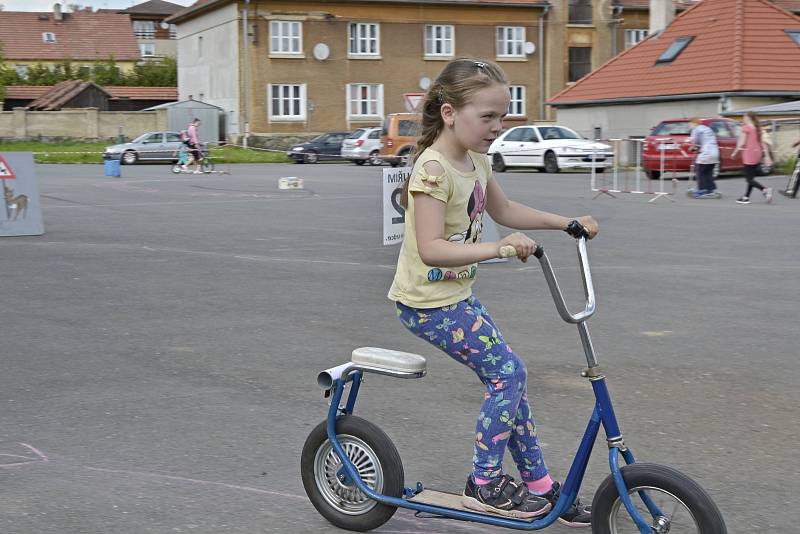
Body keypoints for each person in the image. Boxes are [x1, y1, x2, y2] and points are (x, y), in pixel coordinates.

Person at [387, 58, 598, 526]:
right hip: (426, 302)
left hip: (455, 299)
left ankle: (541, 488)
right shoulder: (435, 170)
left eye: (502, 117)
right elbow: (431, 248)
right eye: (487, 117)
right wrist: (498, 250)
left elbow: (504, 209)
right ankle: (484, 483)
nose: (497, 128)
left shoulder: (476, 160)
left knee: (511, 381)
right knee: (509, 375)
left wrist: (565, 223)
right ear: (449, 113)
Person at [731, 112, 772, 204]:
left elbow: (741, 143)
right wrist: (767, 156)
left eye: (744, 117)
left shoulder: (746, 128)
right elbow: (763, 143)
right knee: (751, 178)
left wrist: (734, 153)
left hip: (749, 154)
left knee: (748, 179)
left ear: (748, 118)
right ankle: (746, 197)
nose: (743, 119)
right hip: (757, 154)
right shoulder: (758, 129)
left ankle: (765, 190)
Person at [688, 118, 720, 198]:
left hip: (706, 153)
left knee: (700, 172)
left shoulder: (696, 130)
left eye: (690, 124)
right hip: (715, 152)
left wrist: (691, 148)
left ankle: (702, 190)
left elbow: (694, 144)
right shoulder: (707, 128)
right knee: (708, 172)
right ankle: (711, 190)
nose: (689, 126)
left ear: (694, 123)